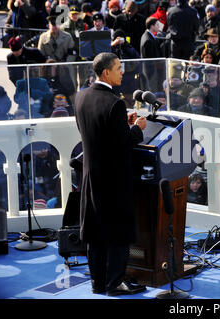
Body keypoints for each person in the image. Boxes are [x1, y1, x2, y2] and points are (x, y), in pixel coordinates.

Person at [74, 52, 147, 296]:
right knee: (118, 232)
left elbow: (97, 132)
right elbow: (123, 143)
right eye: (118, 68)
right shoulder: (115, 103)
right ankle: (115, 283)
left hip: (90, 177)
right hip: (114, 181)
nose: (122, 72)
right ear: (106, 72)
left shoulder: (81, 97)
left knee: (95, 232)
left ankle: (98, 283)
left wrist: (120, 122)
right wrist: (136, 129)